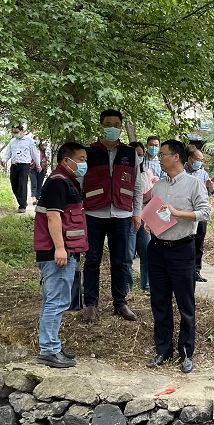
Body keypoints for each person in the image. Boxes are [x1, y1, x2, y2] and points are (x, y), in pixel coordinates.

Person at [146, 139, 210, 373]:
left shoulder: (194, 184)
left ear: (176, 156)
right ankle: (163, 350)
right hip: (157, 248)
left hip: (182, 250)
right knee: (159, 302)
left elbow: (205, 213)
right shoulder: (158, 186)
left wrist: (178, 213)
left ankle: (186, 353)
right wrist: (150, 222)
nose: (159, 158)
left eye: (162, 154)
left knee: (185, 303)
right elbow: (155, 213)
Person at [81, 109, 144, 323]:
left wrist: (137, 213)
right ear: (101, 126)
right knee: (92, 259)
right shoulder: (88, 152)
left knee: (121, 260)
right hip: (93, 213)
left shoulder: (130, 154)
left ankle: (120, 302)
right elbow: (79, 184)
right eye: (108, 124)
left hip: (122, 213)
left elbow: (137, 186)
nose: (112, 128)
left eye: (116, 125)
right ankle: (90, 304)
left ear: (121, 127)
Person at [33, 142, 89, 368]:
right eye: (81, 159)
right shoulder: (58, 182)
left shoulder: (67, 181)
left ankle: (53, 345)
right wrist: (59, 248)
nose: (84, 163)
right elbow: (53, 217)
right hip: (56, 253)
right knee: (55, 302)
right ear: (67, 160)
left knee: (56, 301)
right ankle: (48, 350)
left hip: (64, 251)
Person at [186, 146, 214, 283]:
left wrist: (210, 186)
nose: (199, 162)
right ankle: (186, 269)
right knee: (187, 241)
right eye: (197, 159)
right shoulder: (182, 172)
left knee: (199, 242)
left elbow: (211, 192)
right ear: (189, 159)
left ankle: (196, 270)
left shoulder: (203, 174)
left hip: (200, 213)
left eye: (201, 160)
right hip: (186, 213)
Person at [130, 142, 156, 293]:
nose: (137, 158)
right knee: (127, 256)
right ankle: (128, 288)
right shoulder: (123, 174)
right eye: (135, 154)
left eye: (140, 155)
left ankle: (146, 285)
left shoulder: (147, 173)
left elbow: (150, 194)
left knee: (146, 253)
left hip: (145, 218)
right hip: (128, 218)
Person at [0, 124, 41, 213]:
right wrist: (3, 161)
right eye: (14, 132)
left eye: (17, 132)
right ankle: (22, 201)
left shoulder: (29, 141)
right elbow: (8, 153)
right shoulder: (12, 141)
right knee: (14, 185)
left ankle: (22, 206)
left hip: (24, 165)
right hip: (14, 165)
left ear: (22, 131)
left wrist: (38, 165)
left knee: (22, 184)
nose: (15, 134)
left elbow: (34, 154)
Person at [29, 138, 48, 204]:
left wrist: (43, 165)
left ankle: (38, 197)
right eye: (35, 139)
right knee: (34, 183)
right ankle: (34, 198)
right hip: (32, 167)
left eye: (38, 140)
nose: (36, 141)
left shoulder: (42, 149)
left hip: (42, 167)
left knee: (40, 183)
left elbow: (46, 158)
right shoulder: (30, 148)